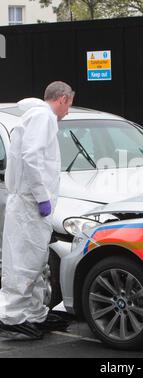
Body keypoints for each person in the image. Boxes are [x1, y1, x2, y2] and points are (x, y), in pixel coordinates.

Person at [0, 81, 74, 340]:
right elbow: (32, 158)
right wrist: (42, 198)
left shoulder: (37, 117)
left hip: (30, 204)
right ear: (63, 98)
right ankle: (12, 315)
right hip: (29, 205)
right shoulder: (43, 117)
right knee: (24, 262)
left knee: (36, 262)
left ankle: (33, 313)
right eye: (70, 105)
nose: (68, 111)